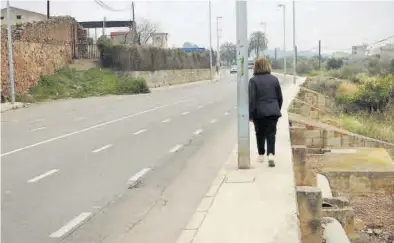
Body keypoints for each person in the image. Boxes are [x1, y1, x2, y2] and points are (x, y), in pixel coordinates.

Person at [249, 58, 283, 167]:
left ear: (256, 67)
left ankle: (261, 154)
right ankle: (271, 154)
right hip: (273, 111)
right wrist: (276, 109)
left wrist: (251, 115)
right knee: (271, 133)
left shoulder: (253, 81)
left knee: (260, 133)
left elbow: (252, 100)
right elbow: (280, 98)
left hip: (259, 112)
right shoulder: (274, 79)